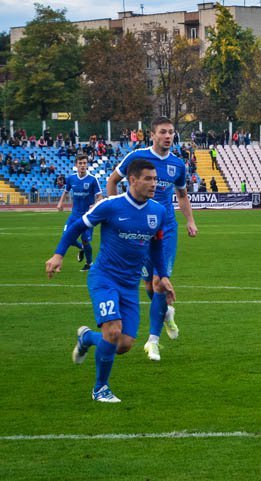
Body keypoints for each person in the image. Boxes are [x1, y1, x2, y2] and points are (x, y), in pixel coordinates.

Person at [45, 158, 174, 403]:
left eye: (155, 179)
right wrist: (58, 254)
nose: (154, 184)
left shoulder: (158, 211)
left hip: (130, 284)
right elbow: (76, 226)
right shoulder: (110, 205)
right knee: (113, 331)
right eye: (148, 179)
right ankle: (100, 388)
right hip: (104, 277)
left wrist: (163, 275)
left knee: (123, 344)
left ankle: (86, 338)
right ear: (132, 180)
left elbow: (156, 246)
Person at [106, 117, 197, 362]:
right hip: (138, 231)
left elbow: (182, 195)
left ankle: (152, 341)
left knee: (159, 282)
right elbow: (112, 181)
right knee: (148, 285)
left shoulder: (178, 164)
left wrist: (190, 220)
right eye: (163, 132)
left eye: (171, 132)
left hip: (165, 230)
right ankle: (166, 313)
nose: (168, 136)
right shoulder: (136, 158)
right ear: (152, 135)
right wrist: (115, 213)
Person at [57, 154, 104, 270]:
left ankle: (89, 263)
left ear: (87, 165)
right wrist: (60, 203)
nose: (83, 165)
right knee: (66, 236)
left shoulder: (92, 179)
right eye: (80, 163)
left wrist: (95, 204)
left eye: (84, 163)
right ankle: (81, 248)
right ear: (76, 165)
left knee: (85, 240)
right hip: (74, 215)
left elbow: (100, 197)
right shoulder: (71, 178)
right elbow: (66, 191)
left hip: (87, 216)